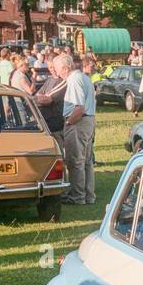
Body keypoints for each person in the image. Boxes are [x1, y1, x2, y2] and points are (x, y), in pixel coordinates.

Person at [54, 53, 96, 205]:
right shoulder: (84, 77)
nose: (56, 73)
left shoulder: (74, 80)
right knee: (86, 161)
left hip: (78, 122)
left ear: (65, 68)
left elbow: (79, 108)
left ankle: (77, 196)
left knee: (75, 161)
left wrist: (69, 123)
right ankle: (88, 195)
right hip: (88, 121)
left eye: (58, 69)